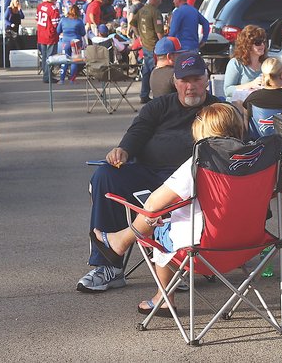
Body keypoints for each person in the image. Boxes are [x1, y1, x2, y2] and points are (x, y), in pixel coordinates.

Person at [77, 52, 219, 293]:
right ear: (175, 82)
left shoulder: (218, 110)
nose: (190, 86)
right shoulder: (160, 106)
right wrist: (123, 150)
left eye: (196, 79)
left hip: (191, 184)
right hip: (149, 175)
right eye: (185, 80)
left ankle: (177, 264)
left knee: (173, 195)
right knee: (106, 176)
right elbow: (138, 131)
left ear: (207, 80)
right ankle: (108, 267)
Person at [88, 103, 246, 314]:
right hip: (246, 243)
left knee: (160, 224)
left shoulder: (199, 163)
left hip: (202, 246)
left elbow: (154, 204)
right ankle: (120, 241)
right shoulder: (254, 161)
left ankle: (163, 297)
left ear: (201, 132)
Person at [130, 0, 164, 104]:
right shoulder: (155, 12)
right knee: (156, 71)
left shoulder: (141, 10)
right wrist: (163, 44)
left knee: (146, 71)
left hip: (145, 44)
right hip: (154, 45)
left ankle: (144, 94)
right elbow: (159, 32)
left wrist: (139, 36)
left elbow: (132, 23)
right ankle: (156, 96)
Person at [223, 25, 267, 99]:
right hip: (240, 105)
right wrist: (251, 85)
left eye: (264, 42)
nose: (262, 45)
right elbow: (227, 91)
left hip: (261, 104)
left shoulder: (267, 63)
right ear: (247, 45)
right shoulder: (235, 63)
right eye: (258, 42)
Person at [56, 4, 85, 83]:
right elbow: (83, 33)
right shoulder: (79, 21)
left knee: (64, 60)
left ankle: (62, 79)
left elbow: (58, 31)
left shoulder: (63, 20)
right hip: (76, 42)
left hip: (65, 42)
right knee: (75, 60)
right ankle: (72, 79)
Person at [37, 0, 61, 84]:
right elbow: (56, 24)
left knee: (44, 56)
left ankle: (46, 74)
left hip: (41, 34)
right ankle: (48, 76)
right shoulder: (53, 8)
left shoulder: (40, 6)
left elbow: (37, 19)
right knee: (50, 57)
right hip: (50, 35)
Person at [3, 0, 24, 69]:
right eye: (16, 2)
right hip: (9, 29)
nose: (17, 3)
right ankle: (7, 62)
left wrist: (20, 9)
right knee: (9, 45)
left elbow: (22, 17)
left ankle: (17, 61)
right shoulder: (9, 10)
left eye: (18, 2)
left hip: (16, 29)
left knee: (17, 43)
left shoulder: (18, 10)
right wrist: (10, 24)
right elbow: (5, 19)